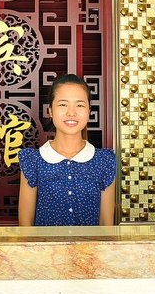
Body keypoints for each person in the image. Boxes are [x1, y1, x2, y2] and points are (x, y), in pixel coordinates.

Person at [18, 73, 116, 226]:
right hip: (45, 243)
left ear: (89, 111)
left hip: (91, 243)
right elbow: (25, 226)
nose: (71, 112)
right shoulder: (33, 161)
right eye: (63, 104)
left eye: (80, 105)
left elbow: (106, 224)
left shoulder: (105, 161)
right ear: (50, 111)